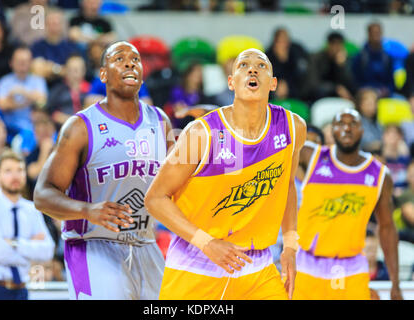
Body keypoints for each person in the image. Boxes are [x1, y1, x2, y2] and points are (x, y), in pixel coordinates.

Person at [144, 48, 307, 300]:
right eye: (243, 65)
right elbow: (154, 198)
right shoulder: (200, 133)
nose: (252, 69)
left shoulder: (293, 128)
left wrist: (290, 245)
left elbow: (286, 186)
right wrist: (207, 242)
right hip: (197, 261)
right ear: (231, 82)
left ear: (273, 83)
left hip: (256, 266)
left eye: (261, 66)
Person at [34, 41, 175, 300]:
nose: (130, 62)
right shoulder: (80, 127)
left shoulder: (161, 122)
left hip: (145, 243)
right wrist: (87, 210)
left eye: (135, 59)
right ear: (103, 74)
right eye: (119, 58)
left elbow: (178, 188)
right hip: (93, 246)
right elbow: (42, 194)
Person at [293, 109, 402, 300]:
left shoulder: (380, 175)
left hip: (350, 266)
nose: (347, 128)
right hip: (307, 263)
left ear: (362, 130)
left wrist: (395, 283)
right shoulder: (310, 156)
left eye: (353, 124)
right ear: (332, 131)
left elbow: (387, 228)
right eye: (341, 123)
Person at [0, 149, 55, 300]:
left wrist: (14, 243)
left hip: (20, 290)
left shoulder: (31, 209)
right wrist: (31, 252)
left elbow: (48, 251)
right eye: (8, 171)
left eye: (20, 170)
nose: (15, 176)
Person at [0, 46, 48, 143]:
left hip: (35, 129)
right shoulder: (4, 82)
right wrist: (29, 100)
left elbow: (42, 102)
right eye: (20, 61)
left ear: (31, 62)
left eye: (26, 61)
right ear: (11, 63)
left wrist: (22, 92)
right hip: (10, 130)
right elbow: (2, 105)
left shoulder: (38, 80)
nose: (23, 64)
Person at [30, 8, 82, 83]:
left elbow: (74, 71)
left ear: (62, 25)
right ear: (45, 25)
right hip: (44, 86)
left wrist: (51, 68)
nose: (54, 27)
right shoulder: (37, 46)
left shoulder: (70, 46)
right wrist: (61, 70)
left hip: (66, 87)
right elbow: (38, 71)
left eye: (57, 24)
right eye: (51, 23)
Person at [307, 32, 355, 101]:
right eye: (334, 44)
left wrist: (341, 67)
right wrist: (336, 88)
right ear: (328, 45)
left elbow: (350, 85)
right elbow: (313, 84)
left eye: (339, 45)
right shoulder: (316, 58)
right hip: (317, 97)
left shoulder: (345, 59)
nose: (337, 48)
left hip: (339, 96)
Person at [45, 54, 90, 128]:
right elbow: (51, 112)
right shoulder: (58, 90)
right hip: (64, 129)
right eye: (72, 70)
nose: (75, 73)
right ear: (66, 71)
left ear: (84, 71)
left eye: (78, 70)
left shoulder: (90, 89)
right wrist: (73, 122)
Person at [352, 21, 394, 97]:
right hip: (364, 93)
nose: (376, 36)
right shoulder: (360, 56)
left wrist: (387, 90)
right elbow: (354, 80)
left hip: (384, 94)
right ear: (368, 34)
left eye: (378, 33)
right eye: (373, 33)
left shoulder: (387, 57)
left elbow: (391, 81)